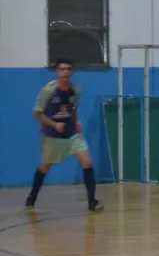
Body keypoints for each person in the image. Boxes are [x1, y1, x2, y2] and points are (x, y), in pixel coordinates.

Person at [25, 58, 103, 212]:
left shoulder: (76, 90)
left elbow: (73, 109)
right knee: (45, 168)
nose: (65, 72)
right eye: (62, 69)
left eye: (68, 69)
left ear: (72, 71)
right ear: (57, 71)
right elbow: (37, 113)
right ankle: (32, 197)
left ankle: (92, 202)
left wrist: (77, 120)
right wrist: (54, 124)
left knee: (87, 162)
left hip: (71, 133)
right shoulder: (48, 90)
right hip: (53, 135)